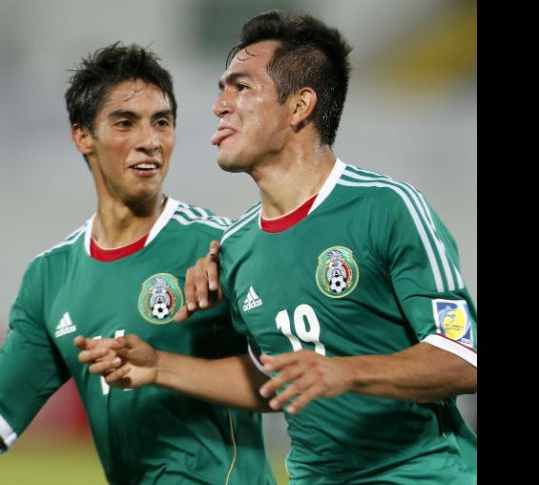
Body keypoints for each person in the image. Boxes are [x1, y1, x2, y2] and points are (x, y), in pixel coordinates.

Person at [0, 42, 277, 485]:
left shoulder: (218, 246)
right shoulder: (51, 277)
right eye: (125, 123)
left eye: (161, 122)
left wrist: (163, 366)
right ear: (83, 136)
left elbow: (286, 375)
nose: (150, 142)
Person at [77, 12, 477, 484]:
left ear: (299, 106)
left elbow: (463, 357)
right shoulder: (235, 248)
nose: (219, 106)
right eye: (222, 89)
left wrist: (345, 373)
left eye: (241, 87)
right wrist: (161, 367)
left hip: (424, 473)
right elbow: (271, 378)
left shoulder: (387, 208)